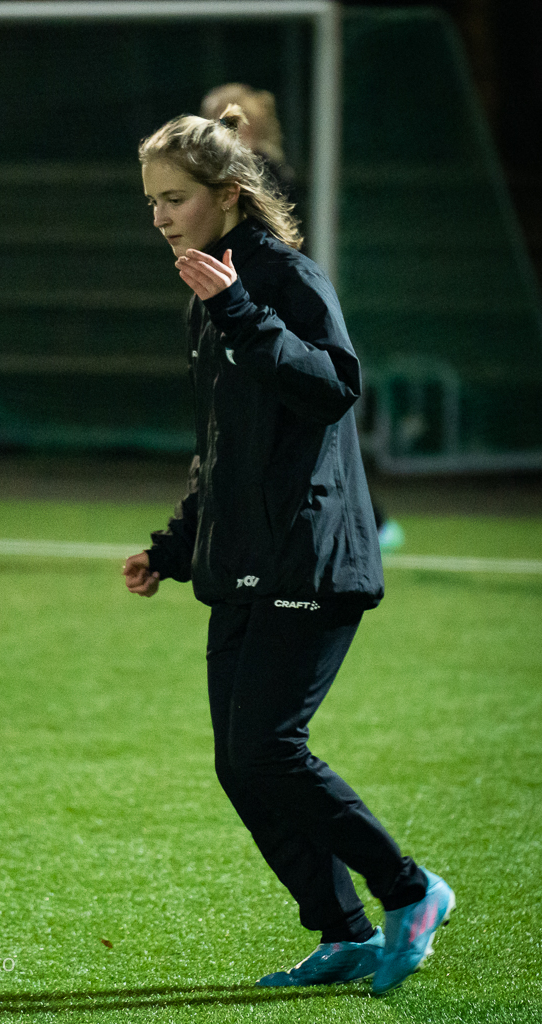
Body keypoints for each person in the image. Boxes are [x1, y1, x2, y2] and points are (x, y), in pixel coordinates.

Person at [123, 106, 454, 995]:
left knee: (267, 749)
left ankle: (410, 891)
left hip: (310, 556)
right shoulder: (207, 293)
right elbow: (225, 446)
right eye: (151, 201)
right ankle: (343, 933)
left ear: (228, 194)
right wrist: (174, 546)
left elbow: (333, 387)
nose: (160, 217)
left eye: (175, 198)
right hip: (241, 559)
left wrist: (237, 309)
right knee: (241, 765)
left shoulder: (280, 277)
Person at [199, 82, 405, 553]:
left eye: (219, 119)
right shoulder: (250, 176)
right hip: (261, 313)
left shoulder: (257, 176)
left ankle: (364, 521)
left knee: (301, 423)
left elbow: (273, 251)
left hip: (273, 317)